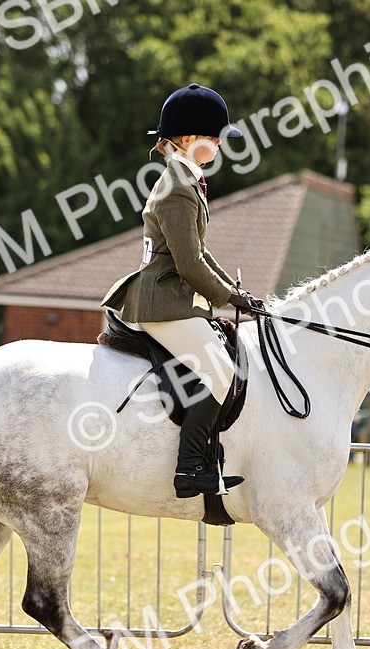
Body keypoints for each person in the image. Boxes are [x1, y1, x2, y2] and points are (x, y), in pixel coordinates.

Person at [101, 83, 259, 499]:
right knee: (222, 372)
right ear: (188, 139)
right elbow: (188, 264)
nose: (220, 144)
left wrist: (234, 291)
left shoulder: (187, 180)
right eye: (214, 137)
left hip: (174, 297)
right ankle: (189, 469)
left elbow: (200, 252)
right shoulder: (176, 188)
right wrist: (228, 298)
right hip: (162, 300)